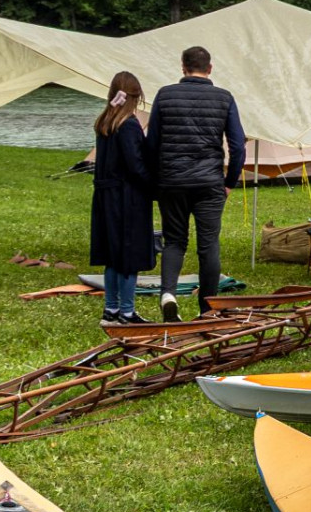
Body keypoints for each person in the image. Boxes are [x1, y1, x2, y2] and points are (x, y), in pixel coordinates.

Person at [146, 45, 245, 322]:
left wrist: (157, 179)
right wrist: (229, 182)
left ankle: (168, 293)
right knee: (208, 243)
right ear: (210, 68)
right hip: (209, 182)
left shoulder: (165, 95)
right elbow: (238, 146)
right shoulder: (224, 98)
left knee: (174, 241)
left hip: (172, 181)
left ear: (183, 67)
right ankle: (207, 308)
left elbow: (152, 143)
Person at [88, 72, 156, 326]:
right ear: (135, 97)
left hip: (105, 197)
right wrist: (155, 187)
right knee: (129, 254)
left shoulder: (104, 122)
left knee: (112, 255)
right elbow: (135, 165)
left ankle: (111, 310)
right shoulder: (127, 124)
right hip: (126, 198)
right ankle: (127, 313)